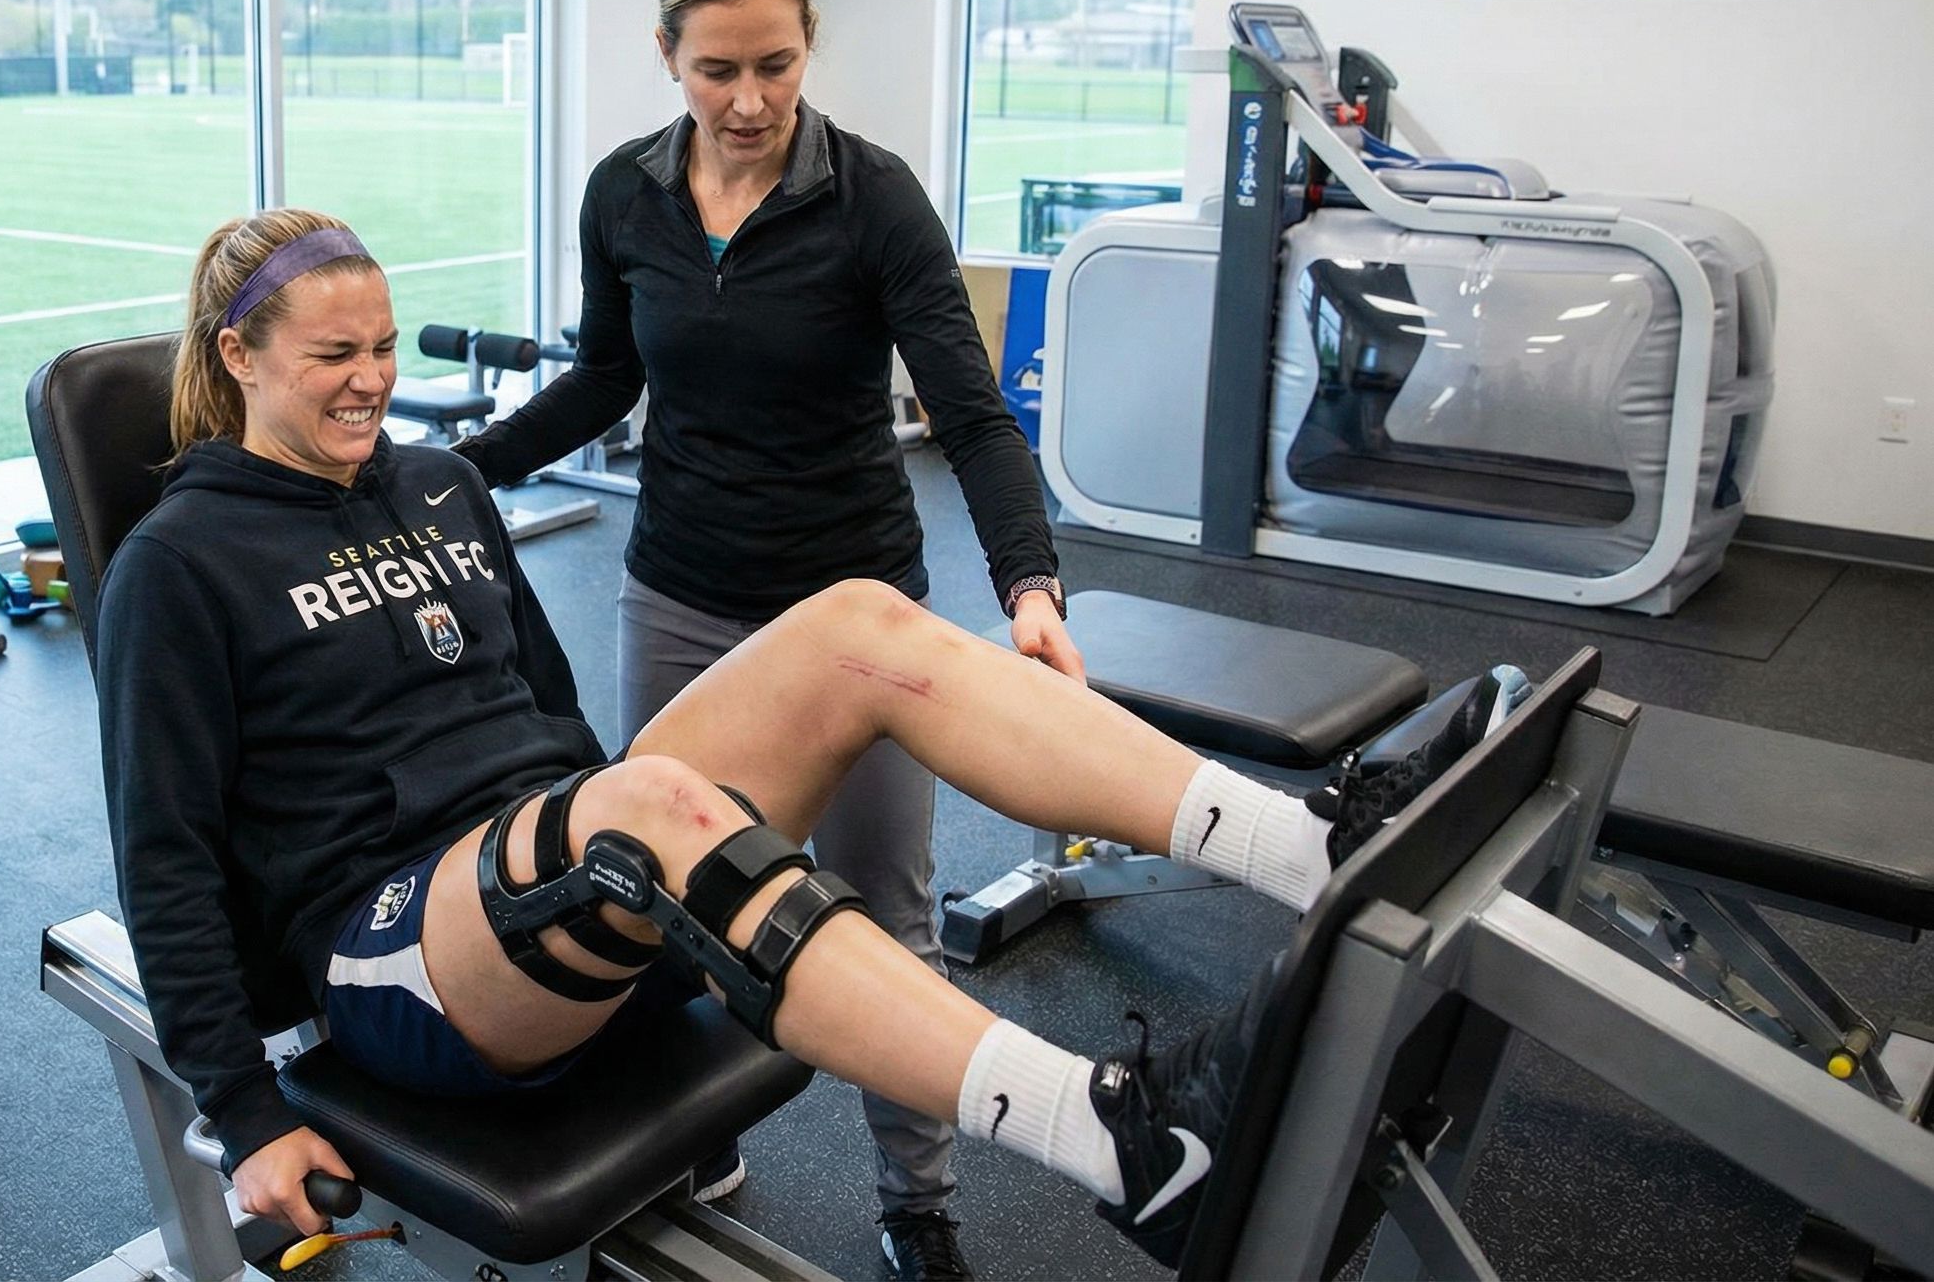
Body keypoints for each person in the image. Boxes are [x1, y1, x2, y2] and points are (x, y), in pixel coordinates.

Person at [99, 210, 1489, 1272]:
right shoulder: (180, 562)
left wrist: (634, 868)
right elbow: (161, 857)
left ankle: (1310, 840)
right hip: (397, 952)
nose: (371, 382)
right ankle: (1121, 1144)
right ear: (237, 359)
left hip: (553, 869)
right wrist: (240, 1105)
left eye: (384, 347)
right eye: (332, 357)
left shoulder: (439, 484)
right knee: (638, 803)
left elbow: (551, 719)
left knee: (854, 620)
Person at [452, 0, 1066, 1276]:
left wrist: (1027, 586)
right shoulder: (624, 193)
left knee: (880, 914)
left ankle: (916, 1205)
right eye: (717, 69)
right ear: (666, 54)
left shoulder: (873, 194)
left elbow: (967, 411)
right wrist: (459, 473)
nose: (748, 101)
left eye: (775, 67)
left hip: (854, 616)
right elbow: (607, 376)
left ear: (807, 52)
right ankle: (691, 1142)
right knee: (644, 897)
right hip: (675, 594)